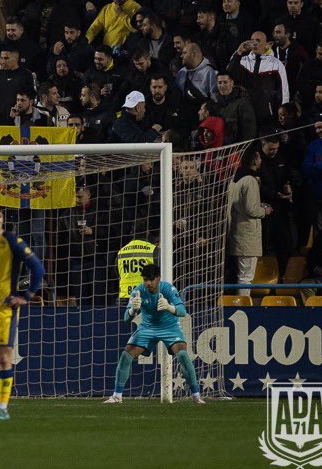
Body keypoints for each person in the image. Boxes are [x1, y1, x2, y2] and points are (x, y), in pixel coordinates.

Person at [0, 202, 43, 421]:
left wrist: (27, 296)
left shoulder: (12, 241)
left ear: (2, 219)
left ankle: (3, 408)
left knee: (4, 357)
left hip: (5, 309)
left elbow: (38, 268)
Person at [103, 263, 204, 404]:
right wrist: (133, 310)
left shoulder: (168, 289)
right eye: (145, 279)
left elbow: (182, 311)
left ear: (158, 278)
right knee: (126, 355)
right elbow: (126, 318)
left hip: (170, 327)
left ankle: (196, 395)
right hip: (147, 328)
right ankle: (117, 396)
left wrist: (170, 307)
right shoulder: (138, 291)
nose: (148, 283)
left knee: (182, 354)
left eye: (151, 279)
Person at [226, 146, 267, 296]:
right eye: (260, 157)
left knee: (240, 275)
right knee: (246, 277)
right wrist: (264, 210)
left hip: (236, 232)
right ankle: (243, 308)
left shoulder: (234, 179)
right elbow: (251, 209)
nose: (261, 160)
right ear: (256, 158)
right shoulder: (250, 180)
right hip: (247, 236)